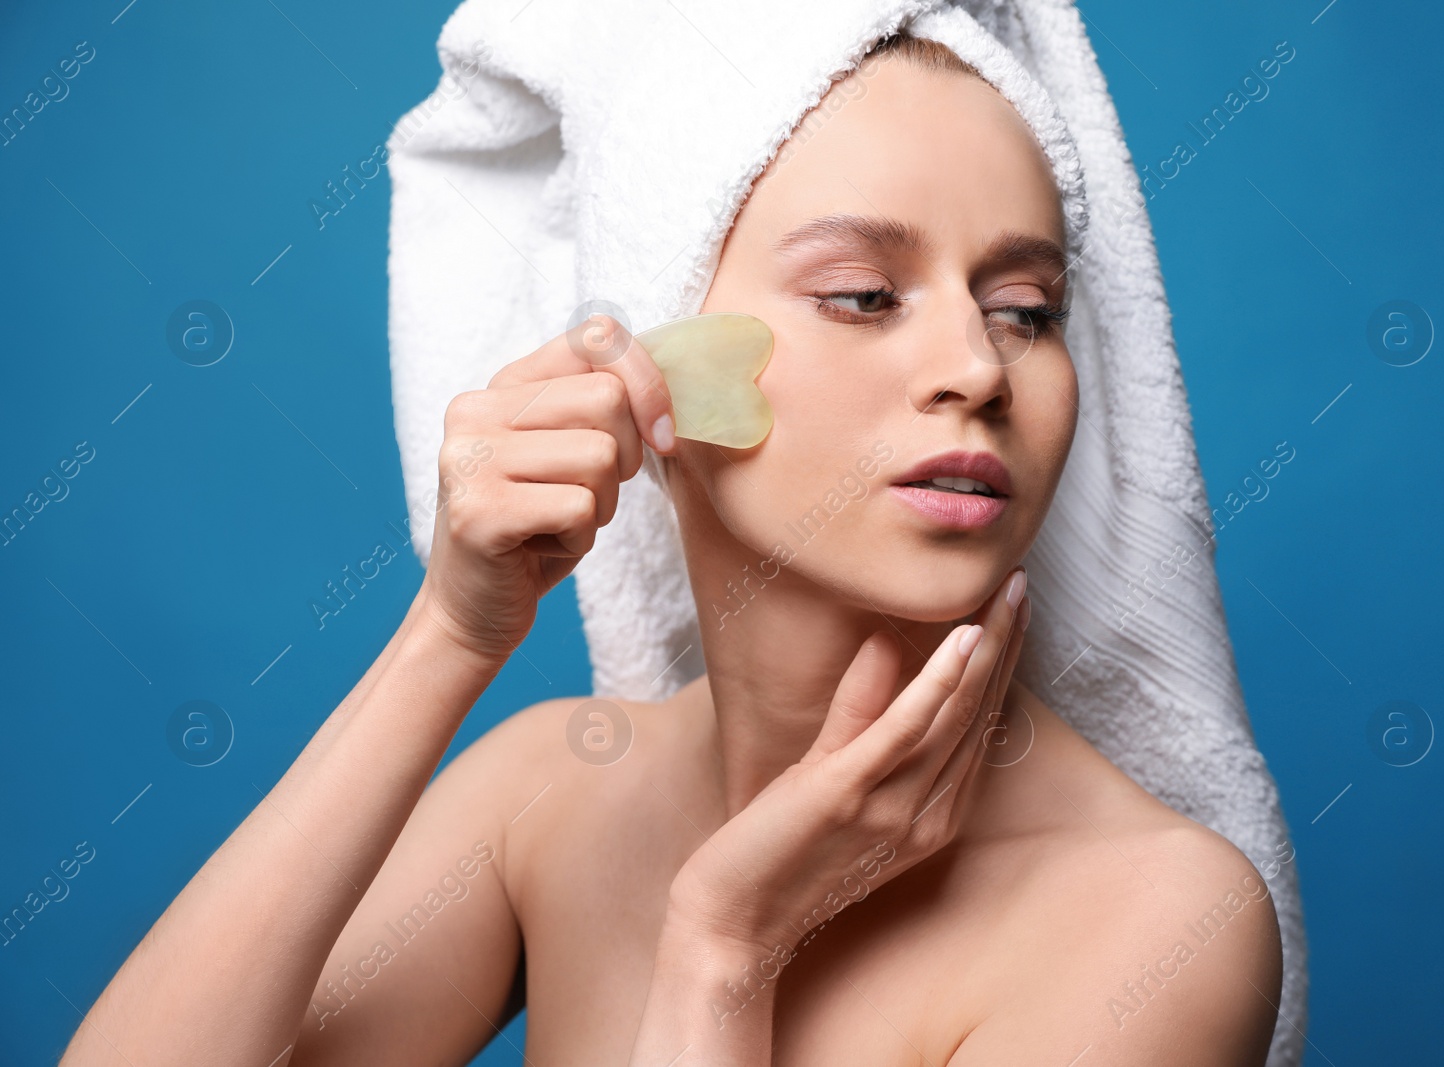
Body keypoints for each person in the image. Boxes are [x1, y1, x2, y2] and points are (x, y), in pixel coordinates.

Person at [63, 31, 1281, 1067]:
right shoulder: (553, 794)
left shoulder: (1157, 914)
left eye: (1025, 311)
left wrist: (721, 950)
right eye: (864, 294)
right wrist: (451, 631)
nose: (976, 367)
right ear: (658, 370)